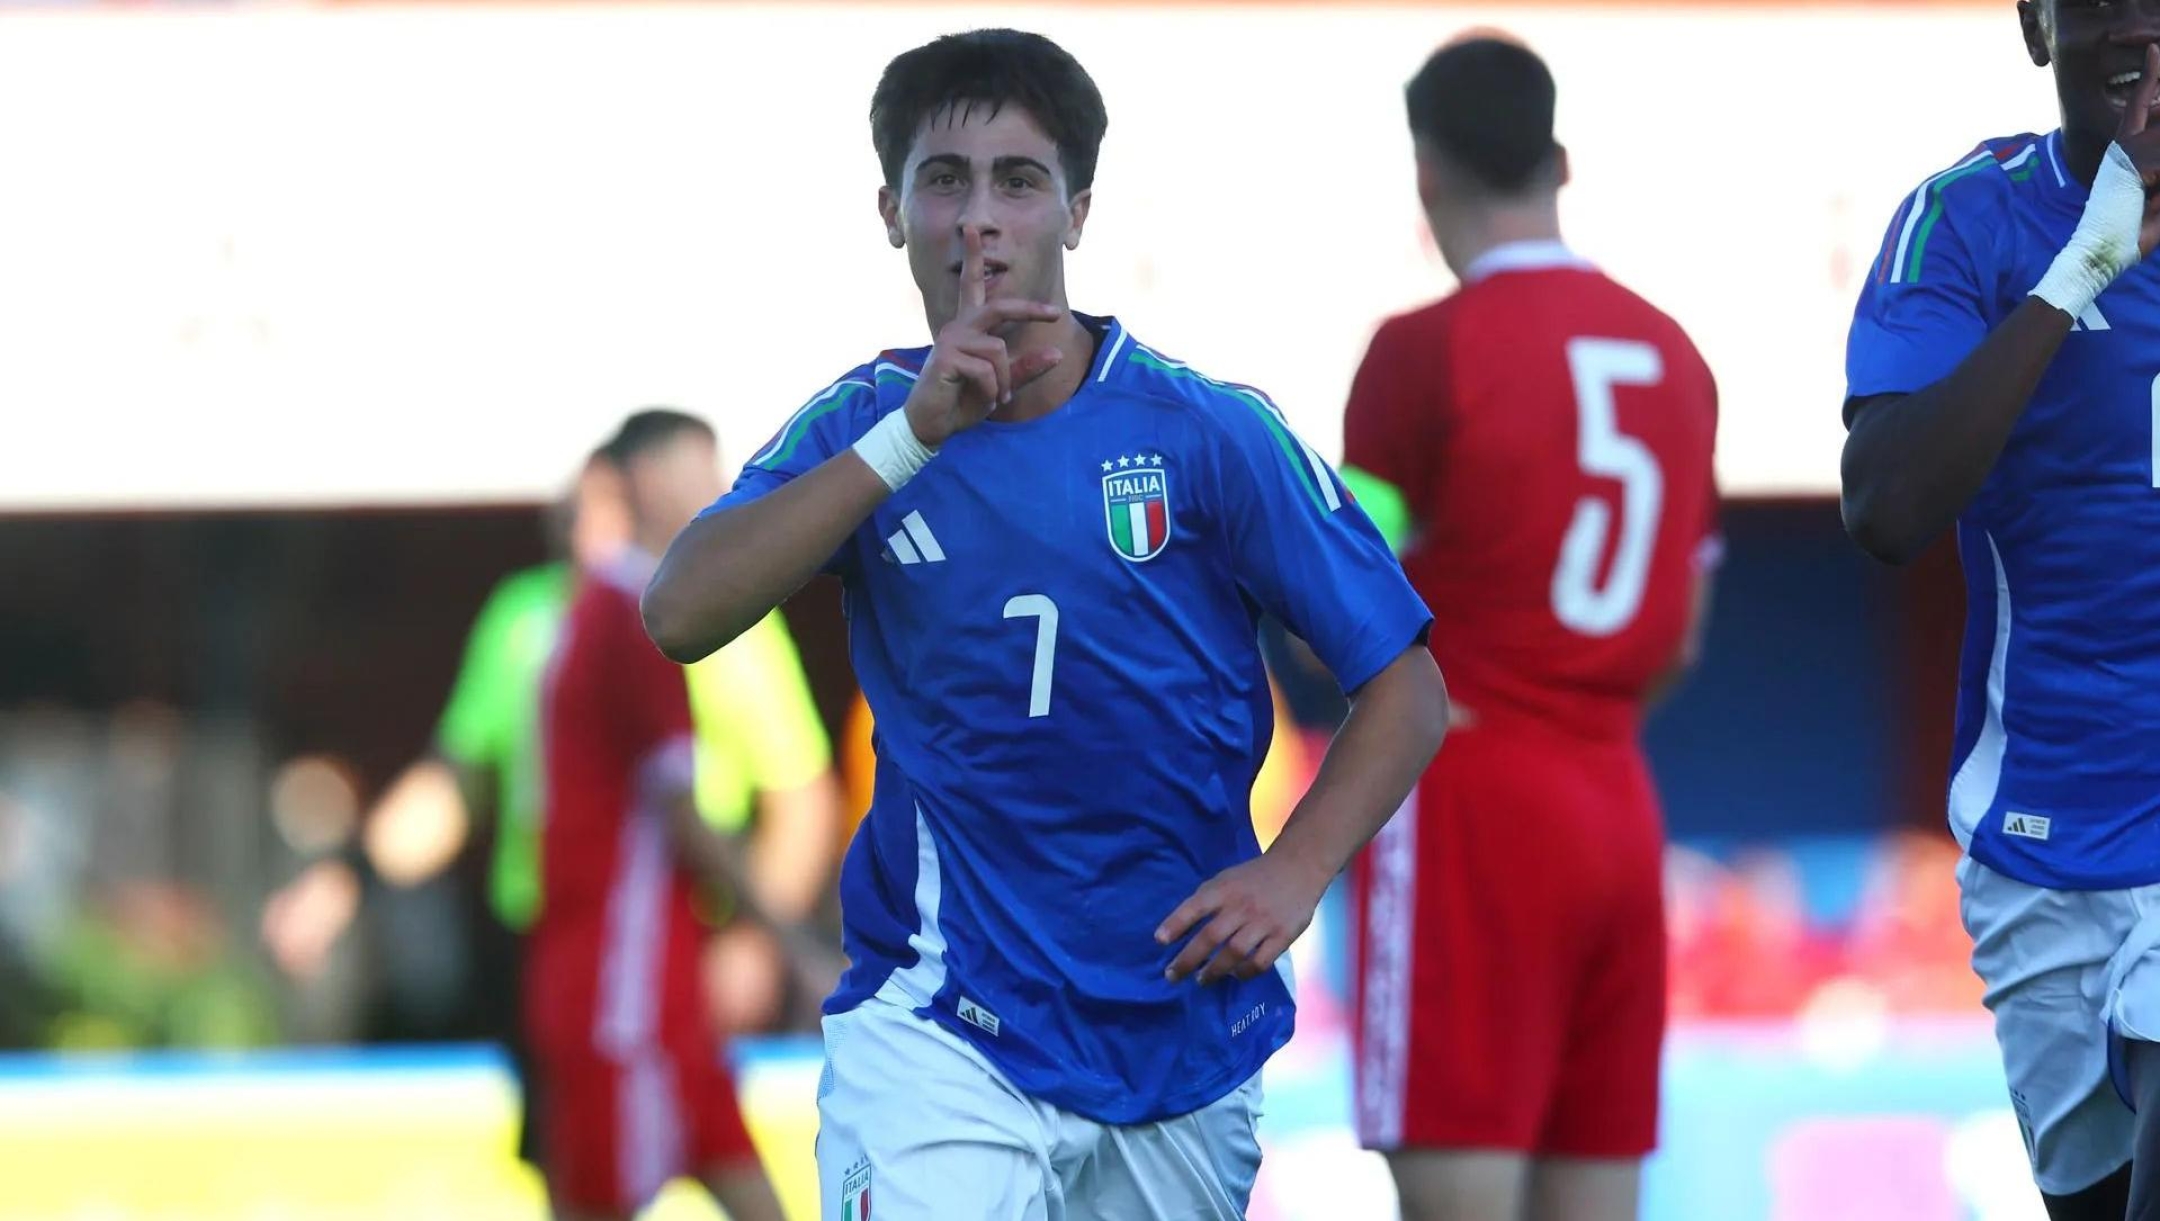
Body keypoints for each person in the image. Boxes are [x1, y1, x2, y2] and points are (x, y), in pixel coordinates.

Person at [639, 27, 1449, 1220]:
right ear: (891, 212)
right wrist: (912, 439)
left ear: (1076, 212)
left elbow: (1408, 685)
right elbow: (678, 611)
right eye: (944, 181)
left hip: (1175, 1028)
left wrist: (1296, 871)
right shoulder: (864, 423)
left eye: (1018, 181)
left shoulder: (1208, 432)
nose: (980, 219)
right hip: (937, 1024)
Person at [1338, 34, 1720, 1221]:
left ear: (1426, 173)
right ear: (1560, 163)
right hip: (1618, 804)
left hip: (1467, 799)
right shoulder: (1676, 355)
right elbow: (1682, 635)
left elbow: (1337, 602)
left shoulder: (1418, 353)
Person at [1838, 0, 2160, 1210]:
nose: (2136, 28)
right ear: (2038, 24)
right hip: (2045, 845)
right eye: (2099, 0)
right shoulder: (1966, 220)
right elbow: (1886, 507)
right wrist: (2078, 273)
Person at [525, 410, 788, 1221]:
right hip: (626, 985)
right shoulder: (634, 615)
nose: (718, 491)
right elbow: (680, 812)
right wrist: (782, 937)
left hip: (628, 974)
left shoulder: (592, 610)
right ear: (645, 479)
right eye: (698, 470)